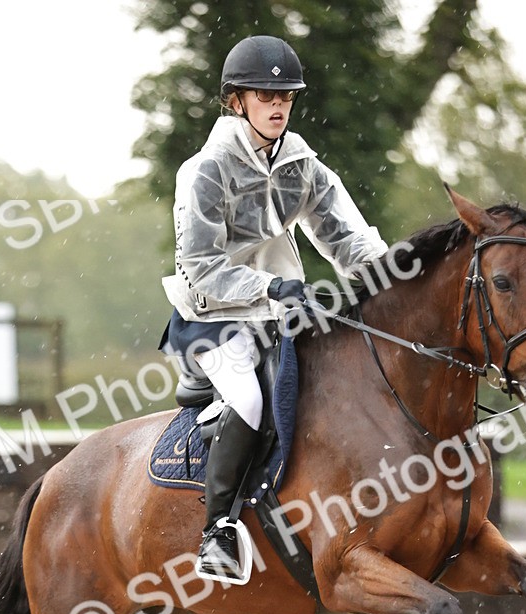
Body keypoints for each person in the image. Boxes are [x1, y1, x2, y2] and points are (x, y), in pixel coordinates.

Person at [160, 34, 388, 580]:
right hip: (210, 319)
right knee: (251, 397)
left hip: (279, 313)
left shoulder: (302, 166)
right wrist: (268, 287)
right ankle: (217, 531)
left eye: (285, 96)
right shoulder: (205, 171)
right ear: (236, 100)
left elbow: (347, 240)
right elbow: (203, 269)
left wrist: (394, 277)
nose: (278, 105)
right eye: (265, 95)